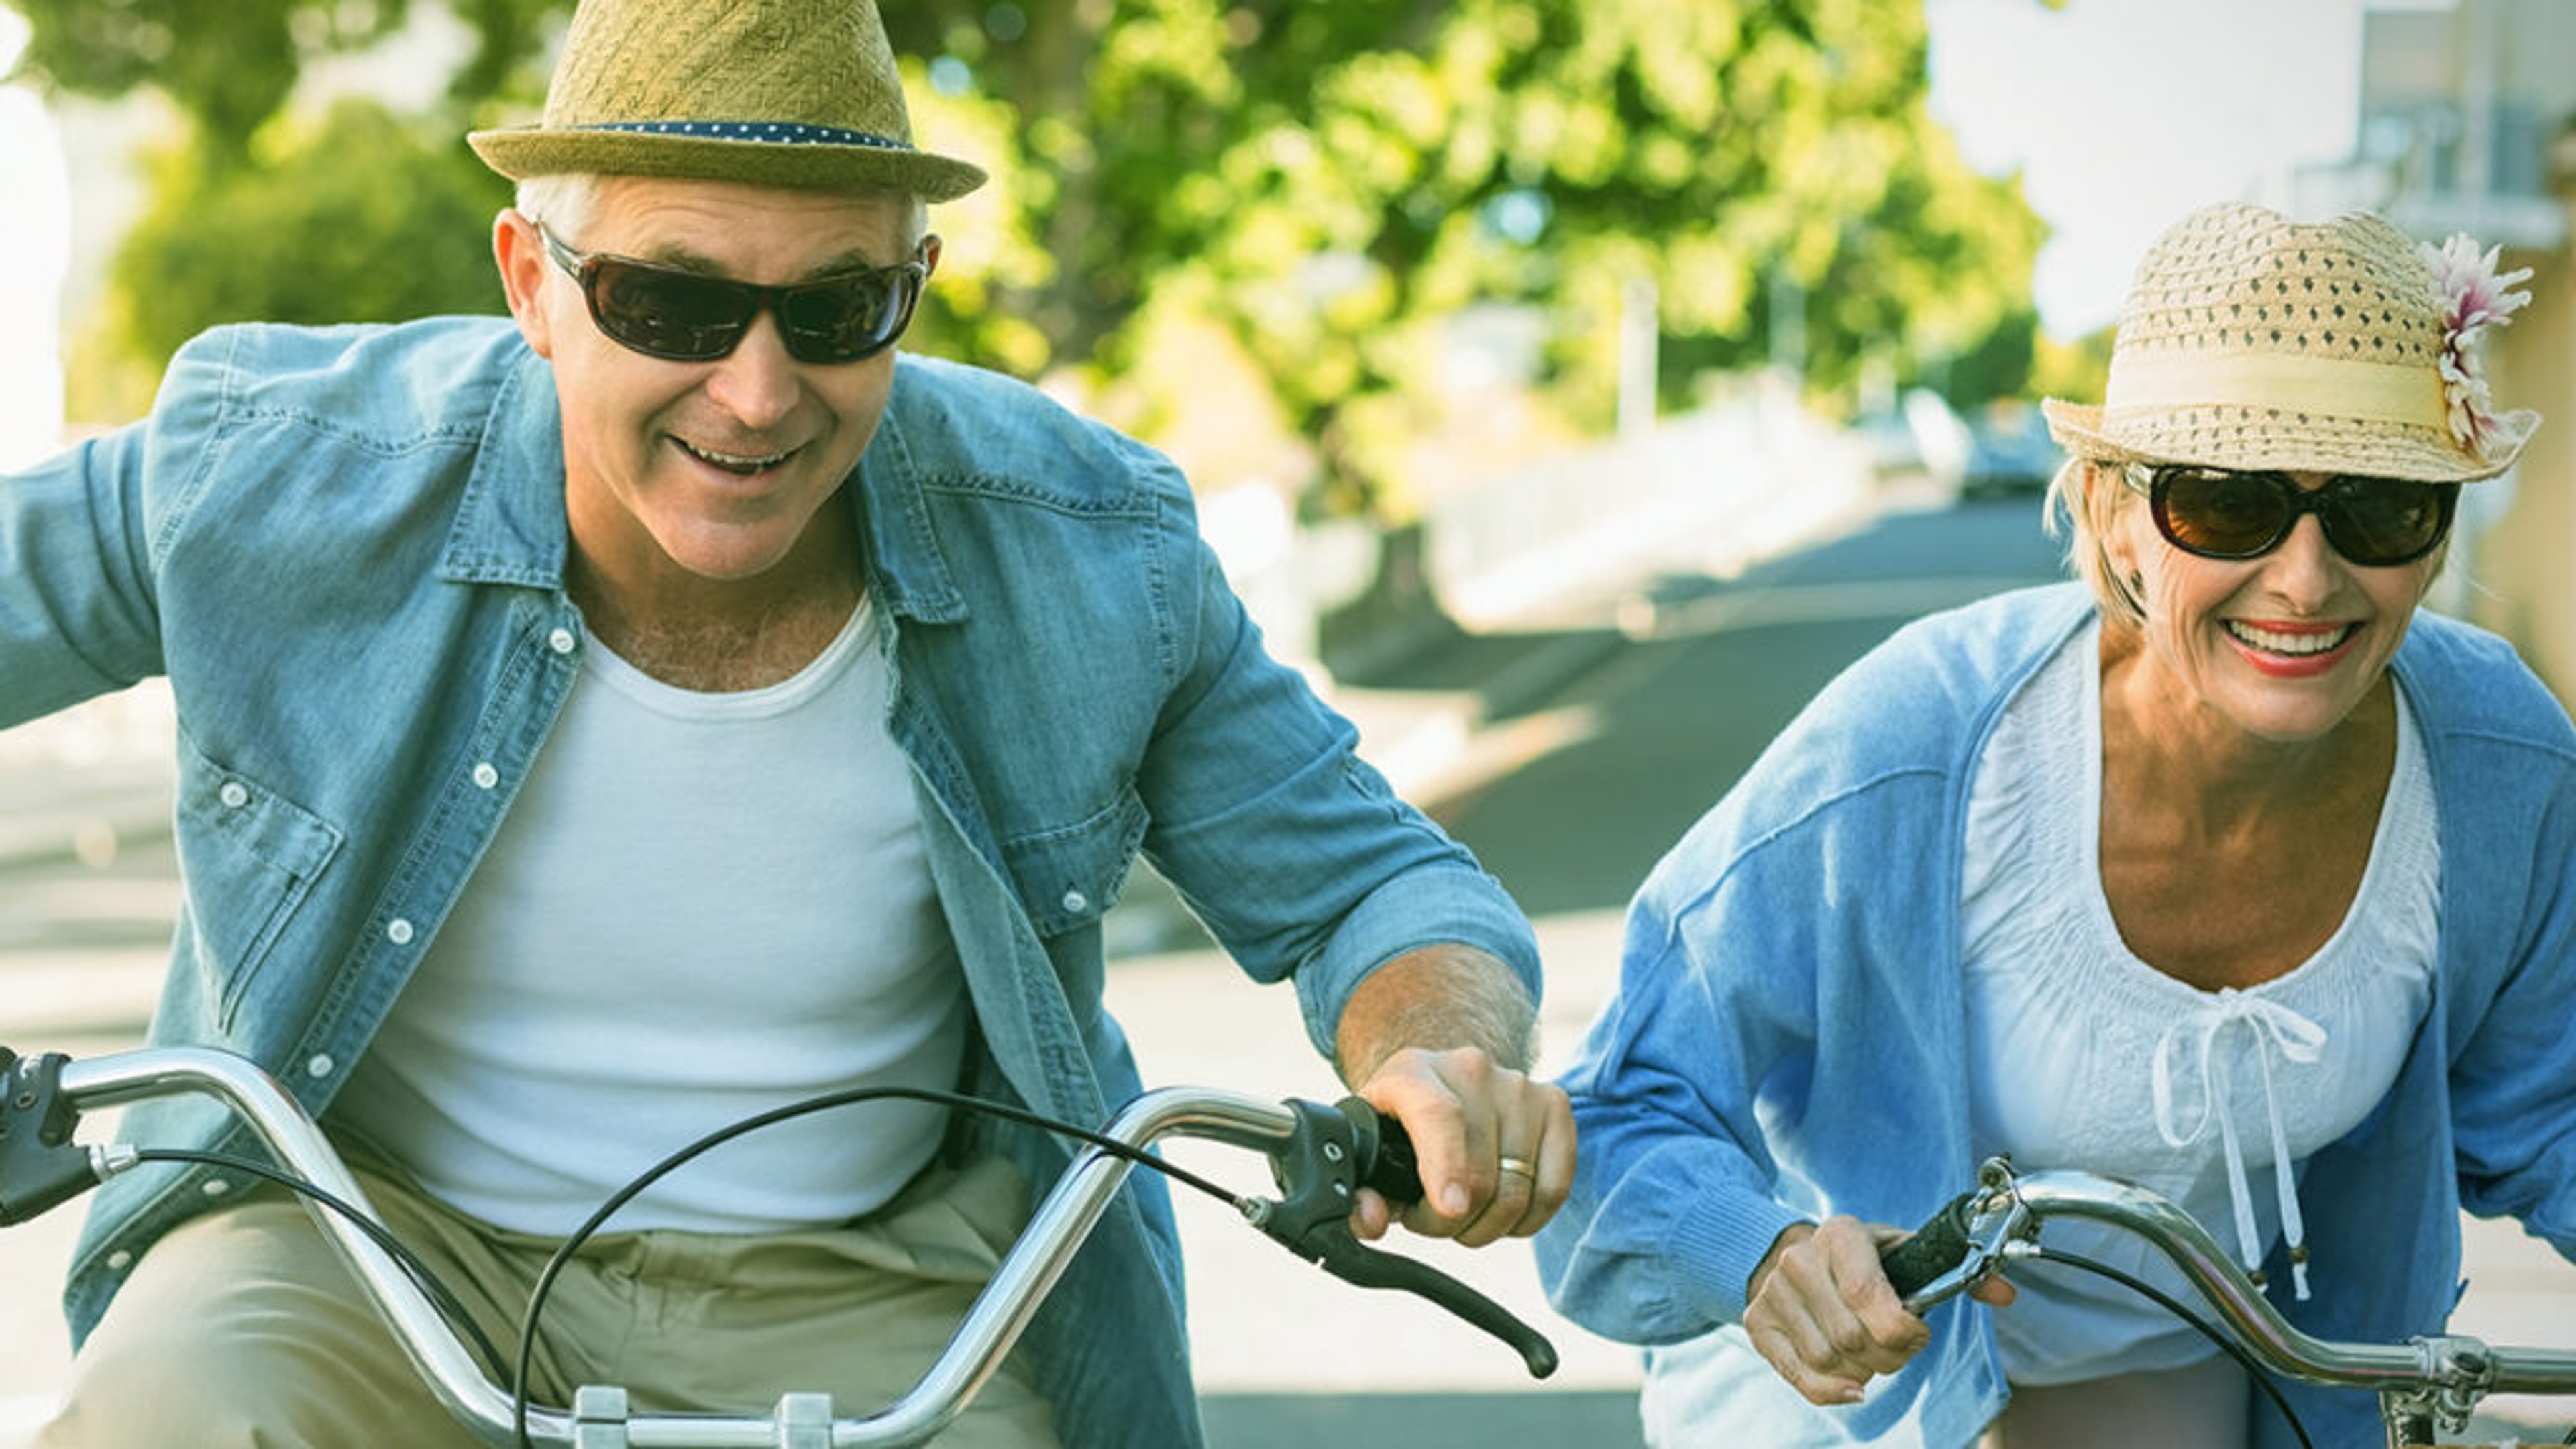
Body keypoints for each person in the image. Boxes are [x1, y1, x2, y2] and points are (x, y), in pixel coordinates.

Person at [0, 1, 1575, 1444]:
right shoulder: (279, 471)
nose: (758, 394)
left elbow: (1381, 888)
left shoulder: (1090, 547)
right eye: (674, 302)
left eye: (837, 309)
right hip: (361, 1244)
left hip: (881, 1278)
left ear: (914, 291)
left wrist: (1437, 1060)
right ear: (534, 285)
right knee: (168, 1415)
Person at [1534, 200, 2576, 1448]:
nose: (2308, 577)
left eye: (2382, 506)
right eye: (2230, 503)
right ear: (2113, 511)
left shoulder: (2496, 757)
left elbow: (2553, 1110)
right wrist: (1765, 1260)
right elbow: (1623, 1107)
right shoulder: (1910, 751)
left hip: (2176, 1394)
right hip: (1858, 1404)